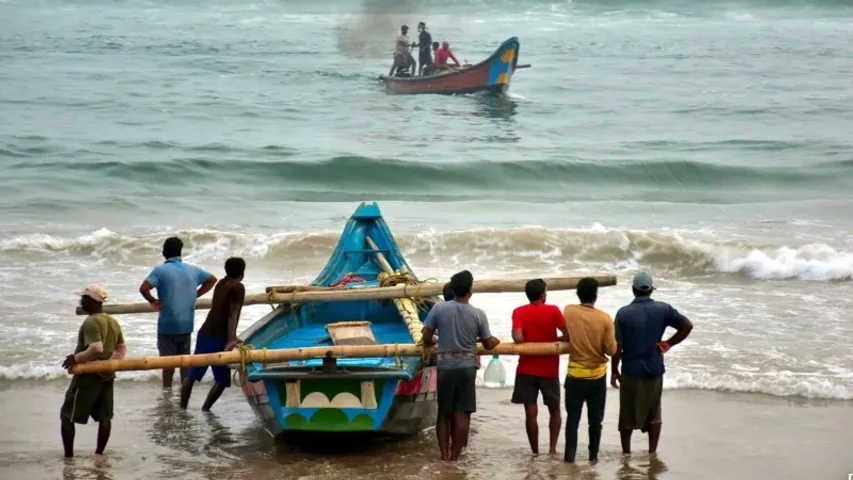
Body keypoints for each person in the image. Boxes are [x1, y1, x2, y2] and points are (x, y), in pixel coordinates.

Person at [611, 272, 693, 455]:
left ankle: (626, 453)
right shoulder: (663, 309)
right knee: (654, 412)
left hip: (631, 369)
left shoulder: (623, 313)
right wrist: (668, 344)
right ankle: (652, 452)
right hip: (655, 367)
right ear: (650, 290)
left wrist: (614, 370)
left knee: (627, 414)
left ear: (633, 290)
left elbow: (617, 345)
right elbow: (687, 325)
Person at [422, 270, 500, 462]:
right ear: (470, 291)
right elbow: (488, 343)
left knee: (444, 414)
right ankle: (455, 458)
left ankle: (444, 455)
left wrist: (434, 341)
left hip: (445, 367)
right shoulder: (478, 314)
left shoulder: (439, 309)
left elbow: (426, 337)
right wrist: (495, 341)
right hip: (467, 367)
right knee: (462, 413)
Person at [139, 237, 216, 388]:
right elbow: (212, 279)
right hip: (186, 324)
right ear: (180, 252)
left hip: (167, 325)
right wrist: (195, 295)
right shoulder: (193, 269)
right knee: (184, 363)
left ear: (164, 252)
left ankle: (166, 393)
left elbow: (143, 288)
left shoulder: (160, 270)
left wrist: (153, 301)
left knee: (167, 365)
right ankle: (184, 394)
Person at [60, 284, 127, 458]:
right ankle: (99, 455)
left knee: (67, 415)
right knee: (105, 416)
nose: (81, 301)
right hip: (107, 375)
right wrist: (109, 365)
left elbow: (96, 349)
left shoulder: (91, 322)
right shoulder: (112, 321)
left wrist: (76, 359)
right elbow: (121, 348)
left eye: (83, 298)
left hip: (87, 377)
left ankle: (68, 457)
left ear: (91, 301)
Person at [510, 279, 569, 456]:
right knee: (554, 409)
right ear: (543, 295)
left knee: (530, 411)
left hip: (526, 368)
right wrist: (556, 340)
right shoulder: (553, 310)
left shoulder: (519, 311)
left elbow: (518, 337)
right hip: (549, 369)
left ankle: (535, 451)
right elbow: (567, 333)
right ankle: (552, 449)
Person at [180, 257, 247, 411]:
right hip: (218, 337)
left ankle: (182, 409)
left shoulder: (221, 283)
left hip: (204, 333)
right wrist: (232, 339)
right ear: (242, 272)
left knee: (192, 374)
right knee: (222, 380)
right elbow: (233, 314)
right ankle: (205, 409)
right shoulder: (238, 287)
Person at [562, 277, 617, 464]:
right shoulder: (605, 319)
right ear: (595, 296)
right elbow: (611, 350)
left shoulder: (569, 311)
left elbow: (567, 333)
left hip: (575, 374)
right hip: (597, 376)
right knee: (595, 421)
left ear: (578, 294)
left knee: (573, 420)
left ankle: (569, 458)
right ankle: (593, 458)